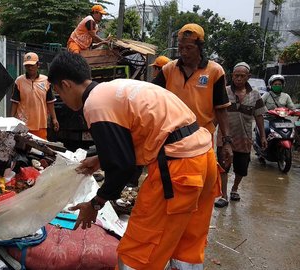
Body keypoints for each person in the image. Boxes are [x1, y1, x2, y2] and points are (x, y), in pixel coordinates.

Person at [48, 51, 220, 269]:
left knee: (137, 252)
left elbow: (122, 167)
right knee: (187, 245)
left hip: (179, 167)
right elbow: (141, 132)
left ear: (65, 84)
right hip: (203, 157)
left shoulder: (94, 105)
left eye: (58, 92)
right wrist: (101, 159)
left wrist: (95, 203)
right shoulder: (115, 88)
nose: (60, 99)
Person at [152, 23, 233, 169]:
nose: (183, 52)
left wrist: (227, 141)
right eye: (180, 47)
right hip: (171, 138)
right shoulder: (169, 69)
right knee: (170, 181)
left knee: (197, 182)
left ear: (200, 47)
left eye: (189, 48)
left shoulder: (215, 71)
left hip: (201, 139)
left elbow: (221, 109)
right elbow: (151, 97)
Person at [214, 62, 268, 208]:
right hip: (224, 138)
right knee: (223, 167)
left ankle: (235, 189)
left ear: (248, 77)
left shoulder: (255, 94)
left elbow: (259, 116)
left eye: (242, 76)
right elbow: (216, 114)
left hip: (244, 139)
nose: (238, 78)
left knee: (241, 168)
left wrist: (262, 136)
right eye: (236, 75)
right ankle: (224, 195)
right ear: (232, 76)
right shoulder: (224, 92)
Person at [10, 52, 59, 139]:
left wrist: (54, 119)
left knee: (40, 150)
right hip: (22, 124)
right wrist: (11, 119)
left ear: (38, 65)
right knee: (21, 149)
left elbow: (50, 102)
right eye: (27, 65)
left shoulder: (46, 81)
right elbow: (15, 102)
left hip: (40, 124)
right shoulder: (19, 81)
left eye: (32, 65)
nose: (30, 68)